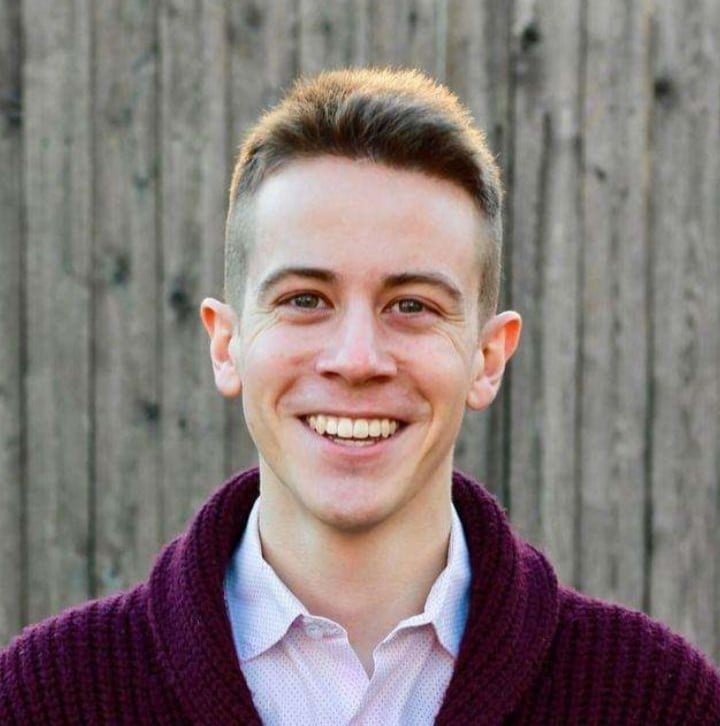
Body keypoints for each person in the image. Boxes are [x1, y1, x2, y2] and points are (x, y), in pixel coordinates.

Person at [1, 67, 718, 725]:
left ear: (487, 358)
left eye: (411, 306)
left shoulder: (658, 702)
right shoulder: (42, 701)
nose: (356, 360)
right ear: (227, 344)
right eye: (305, 298)